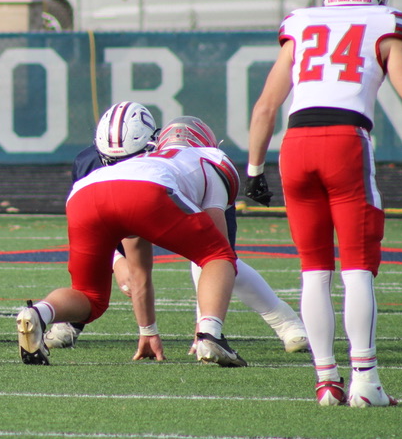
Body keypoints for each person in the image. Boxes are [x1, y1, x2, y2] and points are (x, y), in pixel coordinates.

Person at [247, 0, 402, 408]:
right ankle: (366, 382)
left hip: (294, 146)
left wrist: (254, 171)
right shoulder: (388, 21)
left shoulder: (300, 23)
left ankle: (326, 383)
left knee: (314, 271)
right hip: (345, 140)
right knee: (358, 266)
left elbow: (265, 106)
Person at [45, 103, 308, 356]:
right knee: (215, 258)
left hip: (153, 194)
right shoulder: (91, 164)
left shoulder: (193, 164)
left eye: (134, 157)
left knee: (218, 259)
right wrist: (116, 261)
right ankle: (71, 321)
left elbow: (210, 261)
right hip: (140, 198)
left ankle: (284, 323)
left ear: (153, 146)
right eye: (114, 159)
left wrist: (186, 326)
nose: (124, 164)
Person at [16, 114, 247, 368]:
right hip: (147, 190)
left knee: (89, 296)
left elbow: (138, 265)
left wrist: (148, 330)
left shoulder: (142, 160)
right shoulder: (214, 160)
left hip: (85, 193)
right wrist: (205, 325)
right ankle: (211, 335)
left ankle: (38, 313)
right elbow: (216, 248)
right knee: (219, 256)